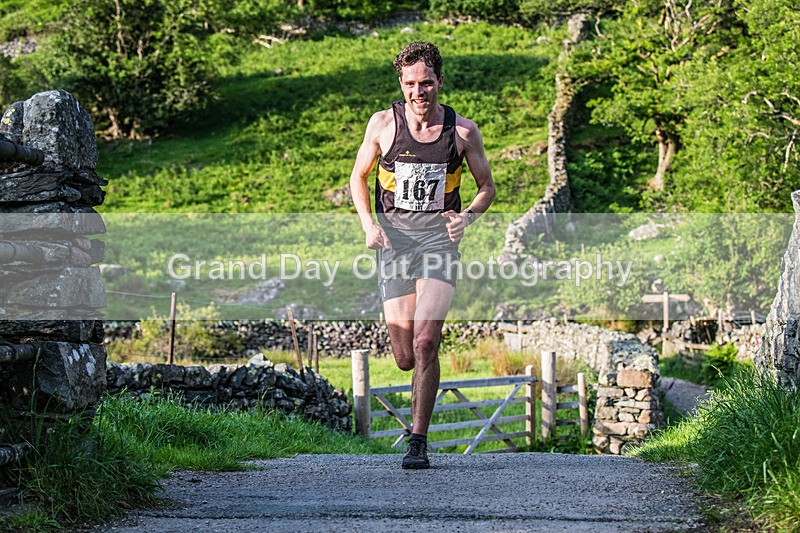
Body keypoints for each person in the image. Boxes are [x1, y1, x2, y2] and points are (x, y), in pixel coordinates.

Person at [349, 41, 495, 469]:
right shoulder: (382, 125)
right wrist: (368, 224)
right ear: (402, 83)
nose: (419, 92)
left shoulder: (463, 132)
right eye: (411, 83)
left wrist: (467, 217)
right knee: (404, 356)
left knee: (426, 341)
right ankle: (415, 388)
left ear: (440, 82)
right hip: (394, 245)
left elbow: (487, 187)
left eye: (426, 83)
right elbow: (358, 178)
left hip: (438, 244)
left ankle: (418, 441)